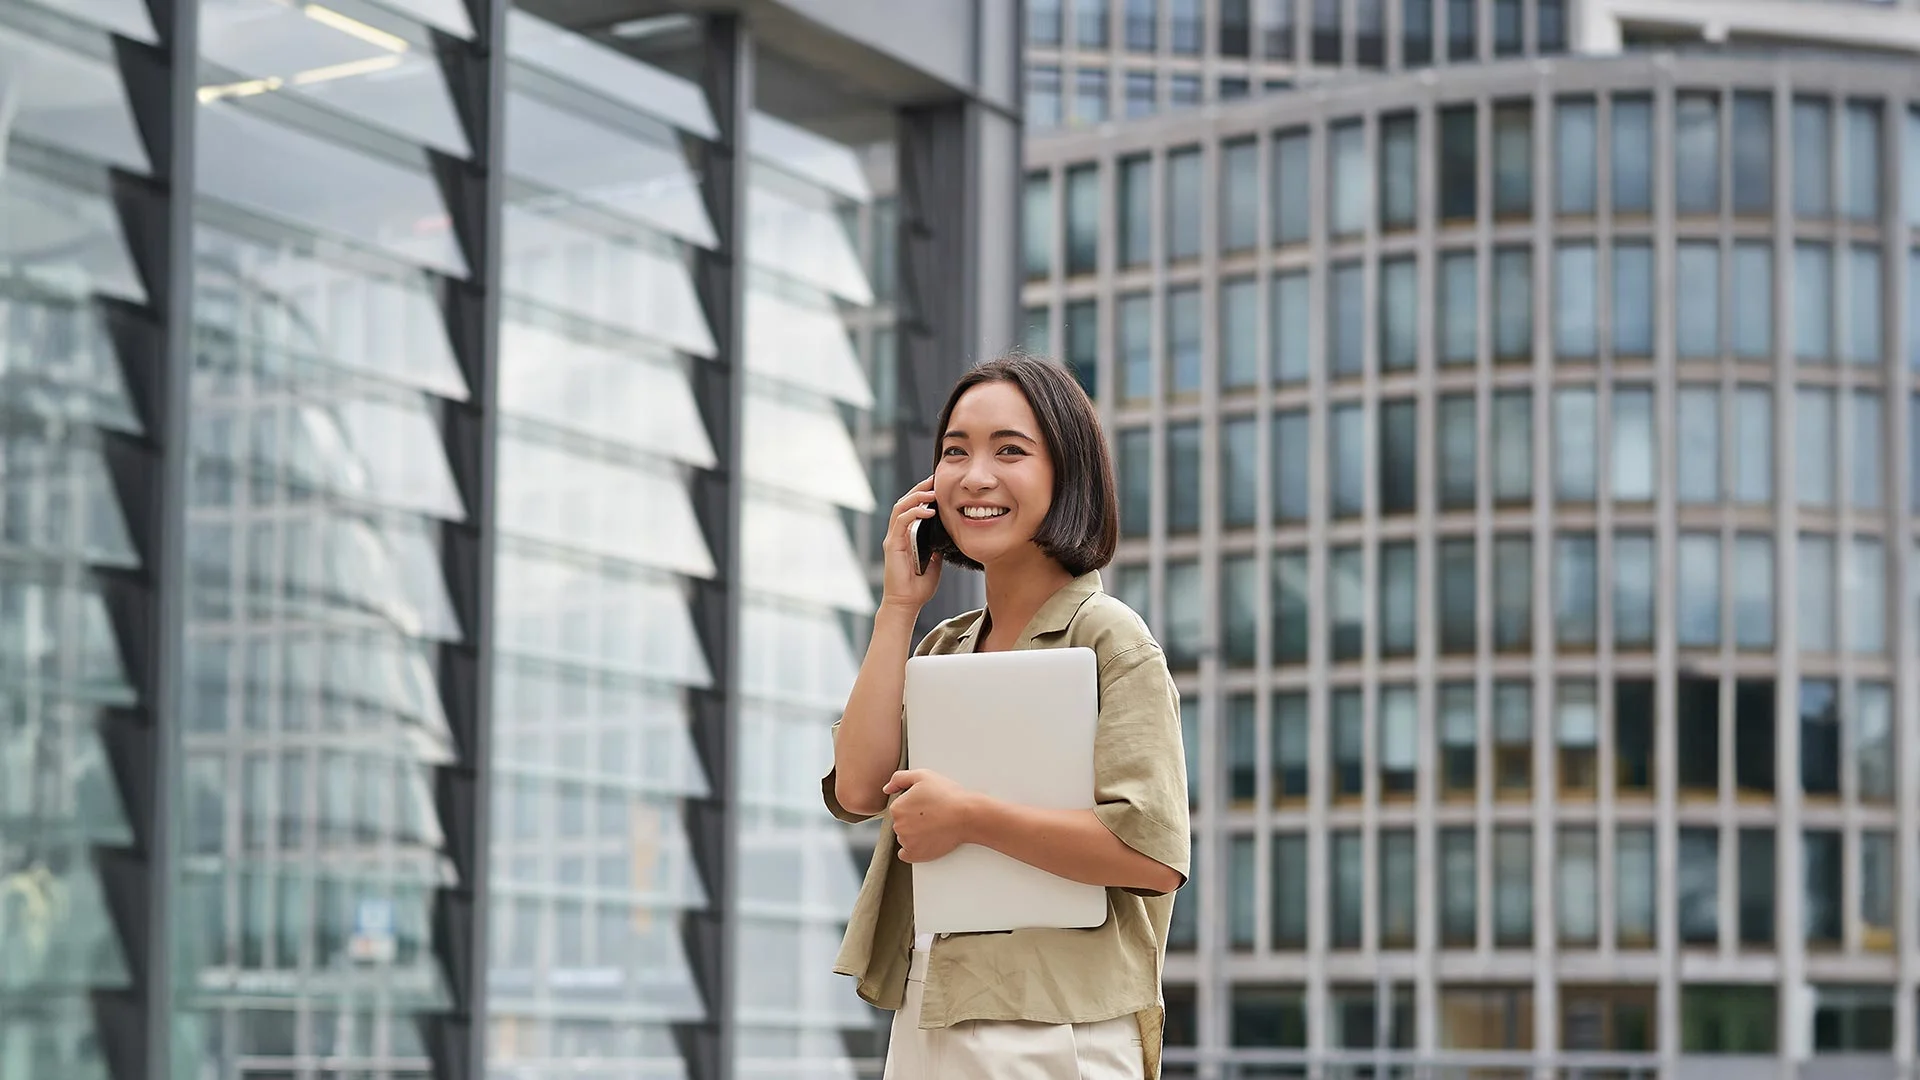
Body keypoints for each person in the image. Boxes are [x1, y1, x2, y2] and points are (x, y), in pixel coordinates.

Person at [820, 353, 1191, 1080]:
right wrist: (898, 607)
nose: (975, 476)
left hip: (1059, 1024)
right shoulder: (943, 646)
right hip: (930, 1002)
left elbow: (1152, 856)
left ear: (1067, 475)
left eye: (1010, 451)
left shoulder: (1108, 637)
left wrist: (970, 818)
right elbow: (859, 790)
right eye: (955, 451)